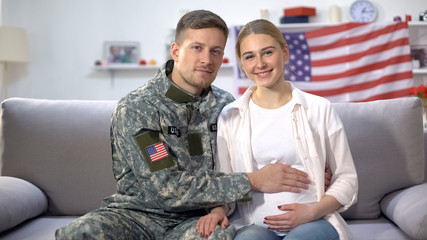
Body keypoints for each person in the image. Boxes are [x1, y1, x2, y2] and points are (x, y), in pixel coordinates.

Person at [55, 10, 314, 240]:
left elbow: (257, 149)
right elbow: (166, 188)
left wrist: (308, 170)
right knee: (82, 233)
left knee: (218, 235)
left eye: (216, 51)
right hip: (136, 217)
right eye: (197, 48)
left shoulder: (227, 105)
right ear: (176, 51)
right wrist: (252, 182)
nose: (207, 59)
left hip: (197, 219)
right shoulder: (137, 108)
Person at [196, 19, 358, 240]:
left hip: (313, 222)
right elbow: (225, 182)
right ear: (242, 64)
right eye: (249, 56)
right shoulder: (230, 115)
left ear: (285, 53)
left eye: (268, 52)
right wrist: (218, 210)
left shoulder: (319, 108)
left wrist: (312, 211)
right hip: (253, 224)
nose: (260, 63)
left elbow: (347, 178)